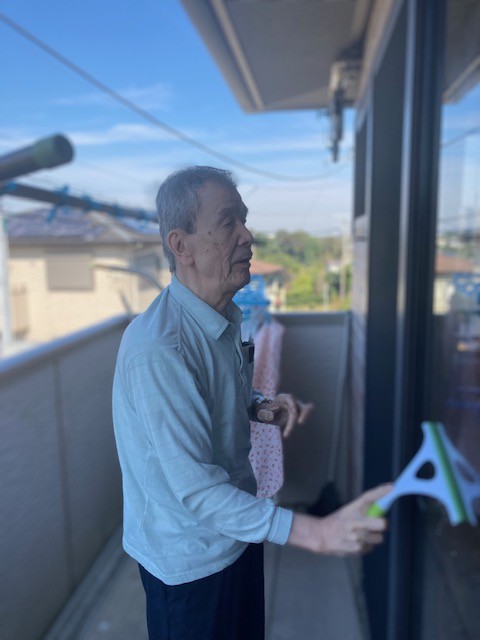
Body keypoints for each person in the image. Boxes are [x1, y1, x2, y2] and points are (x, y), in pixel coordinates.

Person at [112, 166, 390, 640]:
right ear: (181, 245)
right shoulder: (160, 349)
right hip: (191, 563)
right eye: (228, 222)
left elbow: (212, 397)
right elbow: (198, 491)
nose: (247, 235)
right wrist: (317, 532)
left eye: (244, 218)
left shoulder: (217, 315)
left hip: (236, 530)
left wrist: (259, 406)